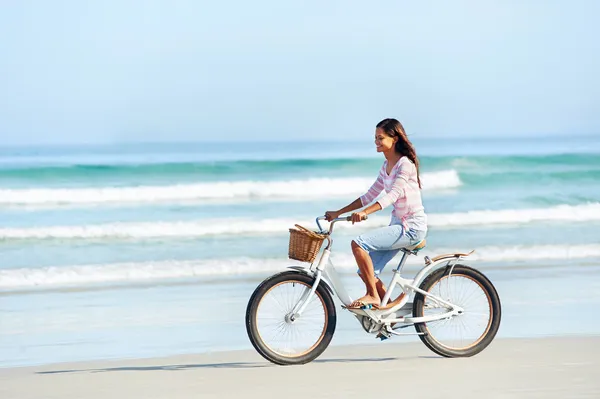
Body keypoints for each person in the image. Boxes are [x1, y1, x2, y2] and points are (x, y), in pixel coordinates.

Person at [324, 118, 427, 310]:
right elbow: (369, 196)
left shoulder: (405, 165)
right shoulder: (385, 167)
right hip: (398, 226)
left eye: (380, 138)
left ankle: (373, 295)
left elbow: (393, 195)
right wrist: (338, 212)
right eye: (375, 138)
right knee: (366, 271)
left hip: (411, 227)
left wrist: (365, 213)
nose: (376, 142)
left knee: (358, 244)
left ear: (394, 138)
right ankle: (388, 311)